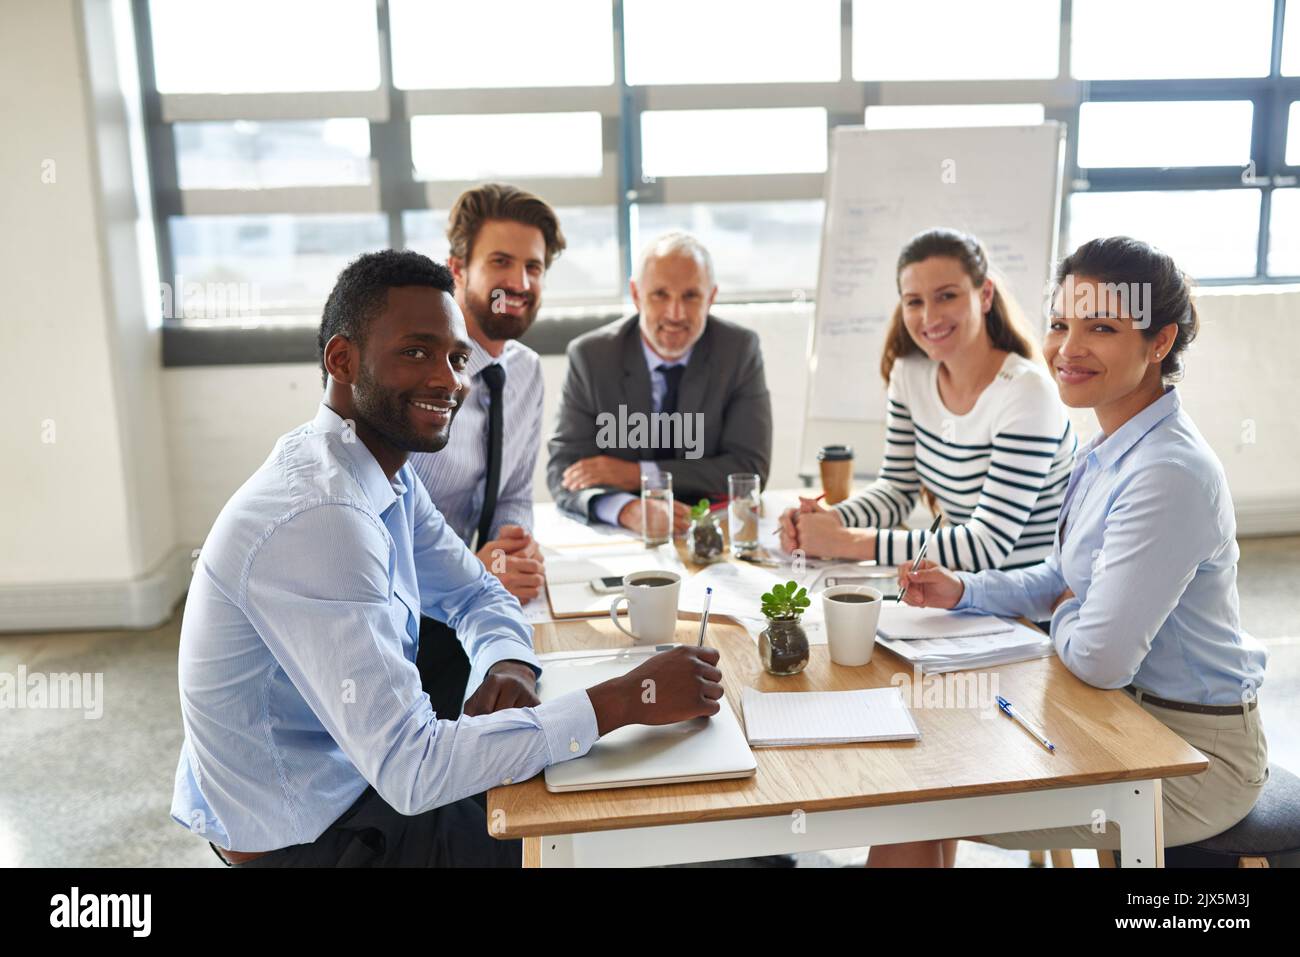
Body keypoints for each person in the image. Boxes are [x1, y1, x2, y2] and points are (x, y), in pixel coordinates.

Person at [170, 250, 724, 867]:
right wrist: (626, 700)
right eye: (416, 352)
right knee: (599, 840)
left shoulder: (383, 472)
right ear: (342, 360)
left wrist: (509, 664)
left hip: (361, 785)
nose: (449, 379)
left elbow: (476, 593)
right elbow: (414, 771)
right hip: (314, 839)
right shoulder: (322, 516)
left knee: (599, 800)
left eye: (456, 357)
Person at [869, 236, 1269, 867]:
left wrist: (1064, 610)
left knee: (915, 800)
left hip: (1190, 755)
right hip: (1117, 719)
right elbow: (1063, 575)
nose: (1067, 348)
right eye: (1059, 324)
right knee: (919, 772)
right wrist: (968, 590)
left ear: (1159, 342)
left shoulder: (1167, 471)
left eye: (1101, 327)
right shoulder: (1108, 446)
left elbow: (1101, 658)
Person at [780, 228, 1076, 571]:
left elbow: (985, 546)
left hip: (1026, 608)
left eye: (946, 296)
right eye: (914, 302)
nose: (930, 317)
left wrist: (845, 541)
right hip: (961, 593)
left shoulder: (1026, 392)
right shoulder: (909, 374)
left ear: (985, 295)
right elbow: (897, 489)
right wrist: (825, 520)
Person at [407, 184, 562, 718]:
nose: (519, 283)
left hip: (475, 613)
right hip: (403, 629)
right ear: (458, 269)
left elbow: (515, 490)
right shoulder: (419, 378)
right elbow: (369, 537)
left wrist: (511, 550)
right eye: (501, 262)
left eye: (534, 267)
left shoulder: (525, 370)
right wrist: (471, 576)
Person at [547, 232, 772, 535]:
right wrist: (627, 510)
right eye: (660, 295)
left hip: (710, 528)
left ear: (712, 297)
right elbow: (565, 470)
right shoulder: (591, 357)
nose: (675, 314)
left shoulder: (738, 350)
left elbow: (749, 470)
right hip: (624, 533)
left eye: (691, 296)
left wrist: (637, 474)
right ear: (636, 295)